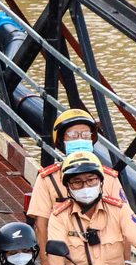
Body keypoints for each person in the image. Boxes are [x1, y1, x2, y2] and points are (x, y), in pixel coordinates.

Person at [27, 108, 125, 252]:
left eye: (85, 135)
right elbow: (41, 226)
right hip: (65, 256)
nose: (80, 139)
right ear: (61, 140)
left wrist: (127, 262)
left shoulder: (108, 177)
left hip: (105, 255)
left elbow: (125, 221)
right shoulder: (48, 179)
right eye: (72, 135)